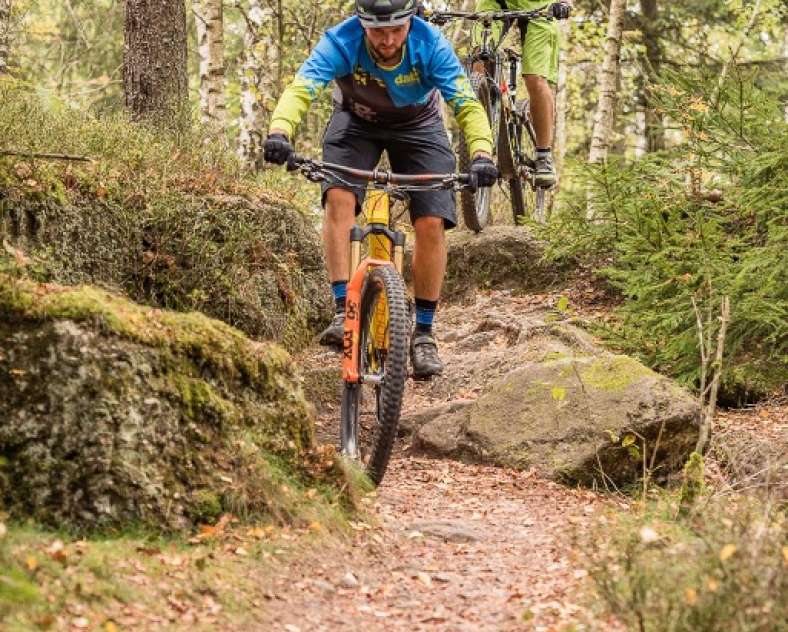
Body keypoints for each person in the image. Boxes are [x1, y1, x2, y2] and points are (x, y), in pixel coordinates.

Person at [262, 0, 497, 379]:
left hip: (419, 125)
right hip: (356, 123)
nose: (387, 40)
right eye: (377, 31)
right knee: (339, 198)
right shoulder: (340, 41)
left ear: (410, 22)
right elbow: (302, 86)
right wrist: (279, 131)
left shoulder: (430, 44)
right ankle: (343, 311)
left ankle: (423, 334)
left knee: (432, 221)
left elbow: (466, 103)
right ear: (362, 24)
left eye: (396, 30)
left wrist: (483, 153)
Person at [472, 0, 572, 187]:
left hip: (539, 5)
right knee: (479, 58)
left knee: (535, 78)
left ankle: (543, 156)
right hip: (493, 2)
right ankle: (477, 139)